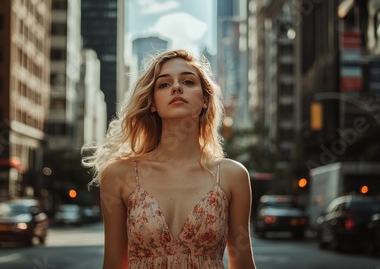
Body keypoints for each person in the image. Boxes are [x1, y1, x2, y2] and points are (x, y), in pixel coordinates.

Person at [82, 49, 257, 268]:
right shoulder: (119, 175)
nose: (176, 87)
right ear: (153, 102)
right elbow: (113, 265)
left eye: (188, 82)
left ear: (204, 99)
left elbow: (243, 265)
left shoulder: (233, 175)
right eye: (164, 84)